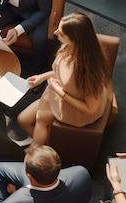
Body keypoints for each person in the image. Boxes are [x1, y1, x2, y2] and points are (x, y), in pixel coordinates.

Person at [17, 12, 108, 145]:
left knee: (41, 119)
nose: (55, 32)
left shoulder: (88, 72)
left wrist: (60, 92)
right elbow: (61, 72)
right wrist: (42, 77)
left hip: (75, 109)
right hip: (58, 92)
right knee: (23, 119)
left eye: (61, 33)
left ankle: (37, 154)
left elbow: (90, 109)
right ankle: (48, 147)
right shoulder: (70, 47)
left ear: (74, 39)